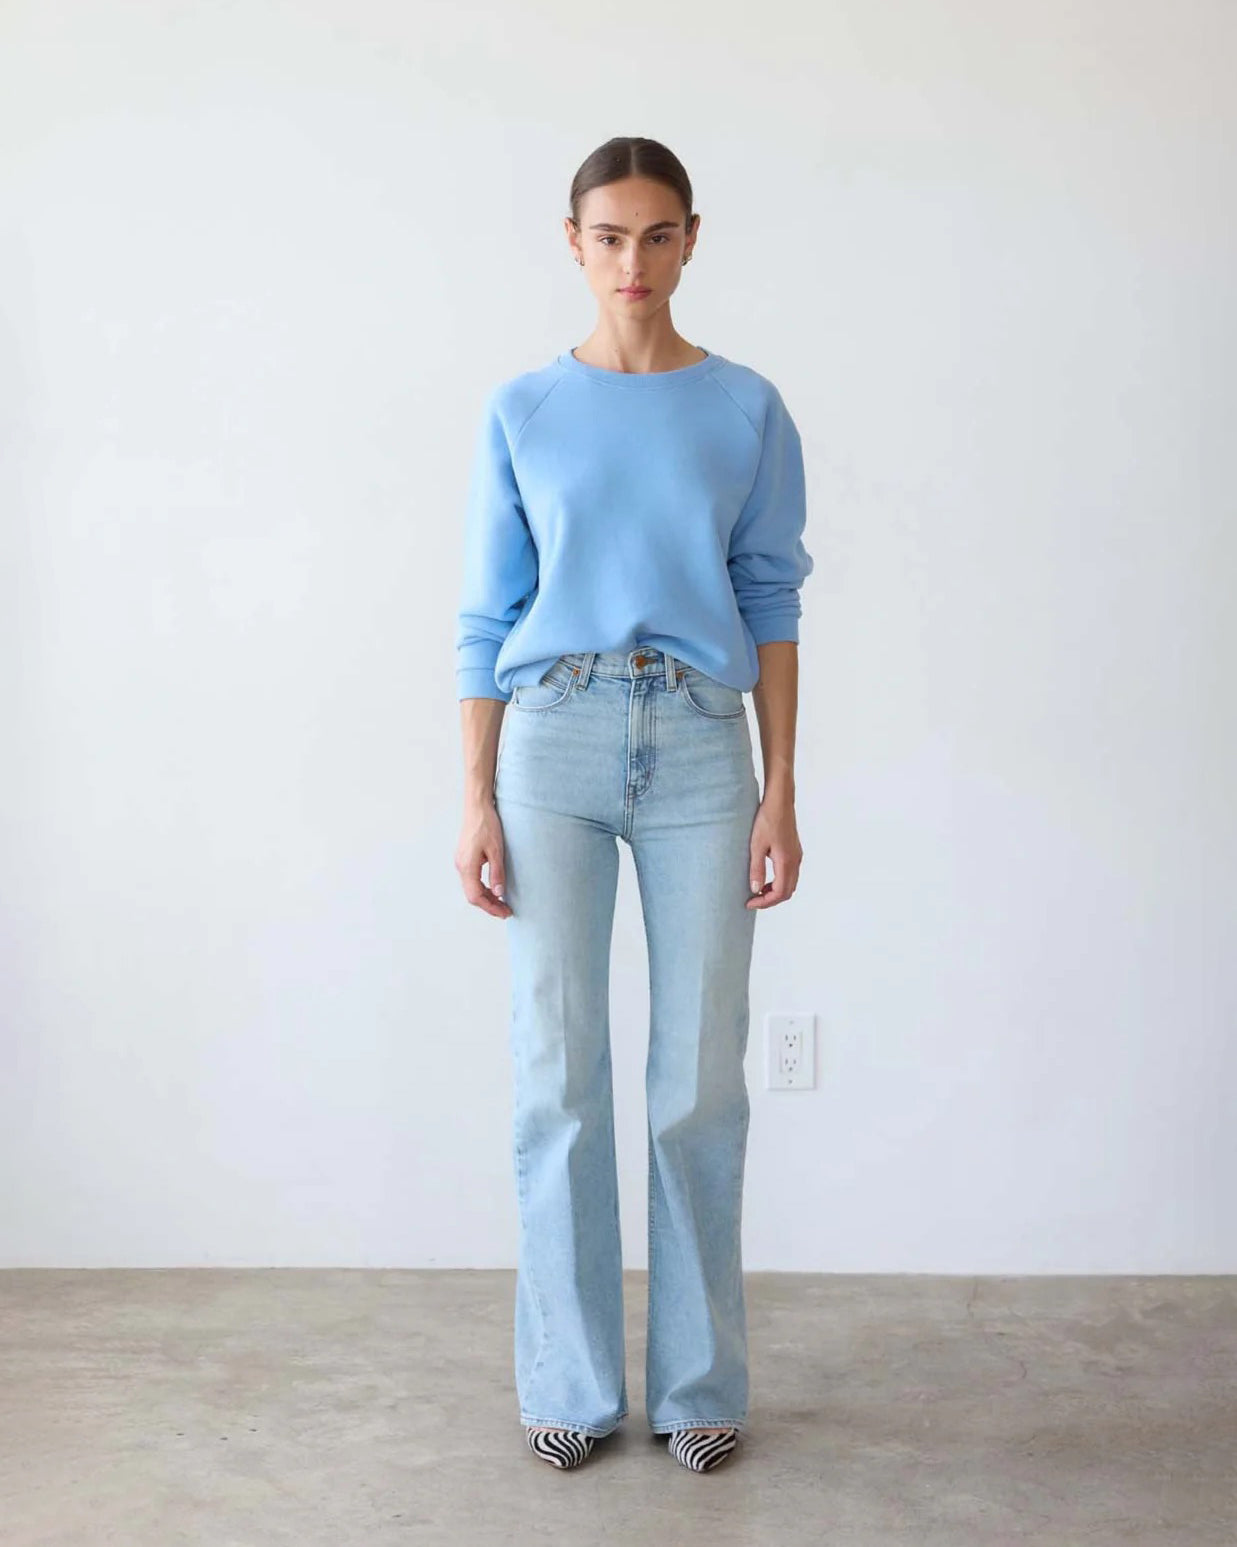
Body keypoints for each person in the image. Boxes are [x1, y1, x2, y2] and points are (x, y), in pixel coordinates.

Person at [453, 136, 813, 1473]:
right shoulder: (522, 409)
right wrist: (475, 794)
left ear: (691, 238)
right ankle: (570, 1384)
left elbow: (770, 598)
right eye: (609, 237)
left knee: (698, 1079)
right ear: (573, 242)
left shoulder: (745, 407)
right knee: (557, 1074)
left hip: (705, 747)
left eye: (658, 235)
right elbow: (486, 612)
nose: (633, 262)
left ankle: (698, 1387)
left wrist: (782, 788)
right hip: (552, 739)